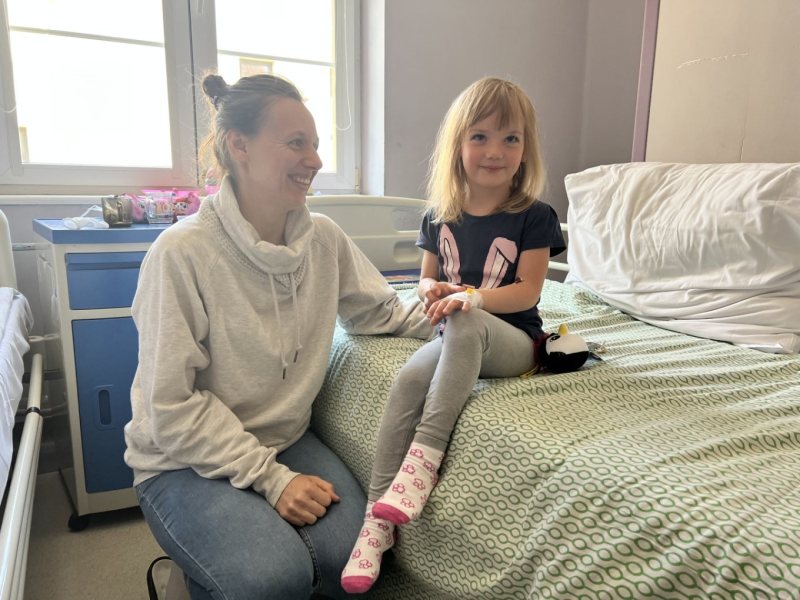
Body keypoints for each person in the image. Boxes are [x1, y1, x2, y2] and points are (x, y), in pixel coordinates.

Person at [124, 72, 434, 600]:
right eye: (295, 143)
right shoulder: (181, 254)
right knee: (271, 579)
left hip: (284, 439)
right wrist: (272, 480)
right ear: (238, 145)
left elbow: (381, 311)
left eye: (315, 144)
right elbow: (170, 408)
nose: (314, 159)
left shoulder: (323, 240)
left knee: (355, 563)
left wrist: (453, 313)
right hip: (181, 459)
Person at [341, 77, 566, 593]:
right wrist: (433, 288)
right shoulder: (440, 215)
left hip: (513, 342)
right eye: (480, 136)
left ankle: (425, 460)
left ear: (526, 149)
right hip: (455, 337)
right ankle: (375, 524)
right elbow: (424, 278)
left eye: (511, 138)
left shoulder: (534, 216)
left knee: (463, 318)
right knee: (406, 382)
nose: (496, 151)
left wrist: (471, 298)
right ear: (458, 144)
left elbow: (528, 292)